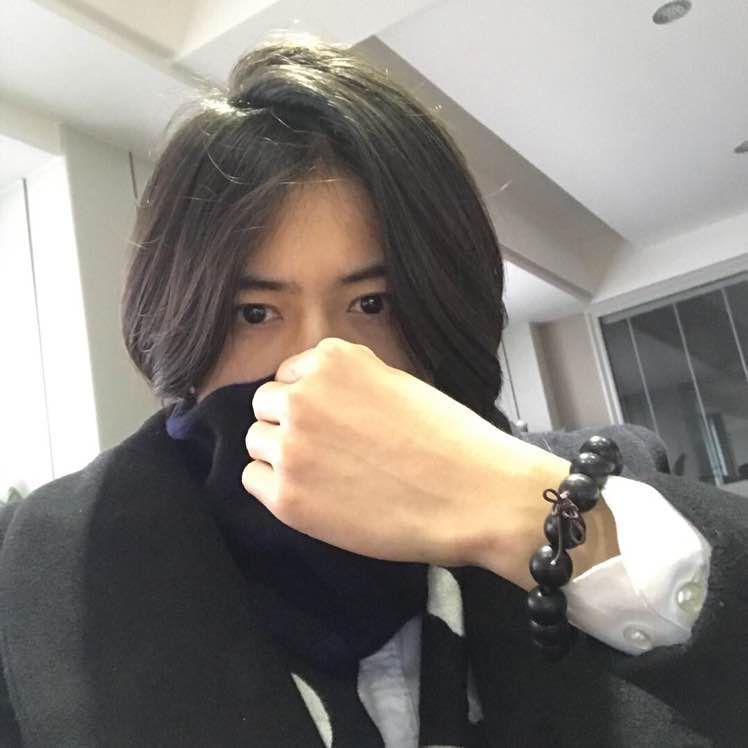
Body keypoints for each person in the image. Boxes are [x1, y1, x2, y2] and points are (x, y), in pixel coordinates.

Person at [0, 36, 745, 747]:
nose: (322, 364)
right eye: (253, 313)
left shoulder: (607, 478)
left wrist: (529, 517)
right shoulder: (42, 567)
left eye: (373, 304)